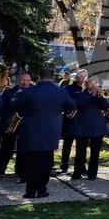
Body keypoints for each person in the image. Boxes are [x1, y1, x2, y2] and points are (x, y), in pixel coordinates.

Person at [11, 68, 76, 198]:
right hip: (51, 130)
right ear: (52, 78)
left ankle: (30, 191)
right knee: (46, 161)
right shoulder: (61, 92)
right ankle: (42, 189)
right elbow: (72, 105)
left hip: (31, 130)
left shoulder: (27, 92)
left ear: (39, 77)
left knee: (31, 161)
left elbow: (14, 105)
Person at [70, 77, 109, 180]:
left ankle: (92, 174)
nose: (93, 86)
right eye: (91, 83)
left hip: (97, 126)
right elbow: (81, 105)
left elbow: (105, 107)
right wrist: (92, 95)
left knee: (95, 152)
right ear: (86, 84)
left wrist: (100, 96)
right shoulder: (80, 94)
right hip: (82, 126)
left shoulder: (99, 96)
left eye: (95, 84)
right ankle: (77, 173)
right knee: (80, 152)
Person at [0, 72, 32, 177]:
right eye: (23, 80)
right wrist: (7, 118)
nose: (25, 83)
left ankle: (19, 171)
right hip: (10, 123)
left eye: (27, 81)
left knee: (23, 148)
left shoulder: (32, 93)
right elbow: (1, 107)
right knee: (6, 147)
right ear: (18, 80)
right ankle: (0, 170)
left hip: (26, 125)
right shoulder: (9, 92)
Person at [59, 69, 87, 174]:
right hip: (70, 119)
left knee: (82, 145)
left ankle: (81, 166)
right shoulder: (68, 88)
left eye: (85, 77)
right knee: (67, 144)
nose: (83, 79)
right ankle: (64, 165)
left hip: (83, 120)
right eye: (81, 77)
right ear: (76, 78)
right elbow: (66, 102)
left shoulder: (89, 90)